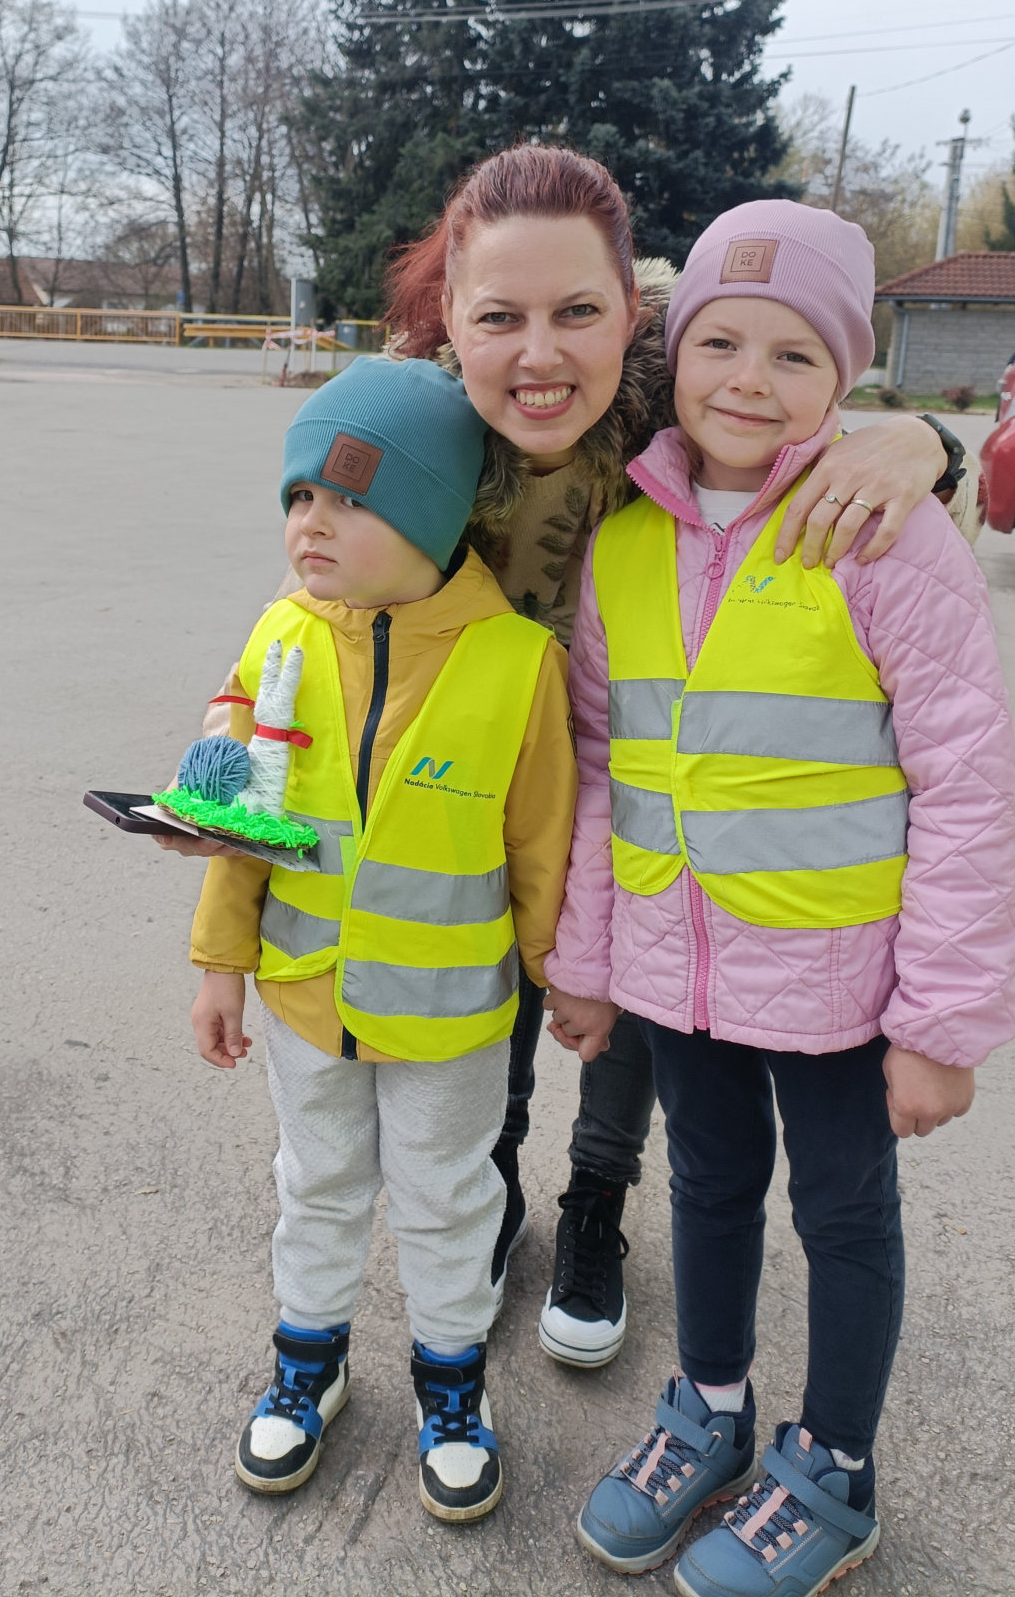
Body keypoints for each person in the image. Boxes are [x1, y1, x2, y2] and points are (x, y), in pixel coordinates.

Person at [166, 145, 977, 1369]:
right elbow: (308, 600)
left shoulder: (682, 402)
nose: (539, 355)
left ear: (634, 314)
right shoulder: (424, 427)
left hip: (640, 766)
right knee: (475, 989)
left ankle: (596, 1195)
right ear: (452, 316)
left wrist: (929, 442)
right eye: (501, 317)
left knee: (623, 987)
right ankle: (484, 1184)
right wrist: (228, 765)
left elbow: (810, 424)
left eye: (578, 312)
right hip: (462, 758)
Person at [543, 202, 1015, 1592]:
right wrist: (587, 960)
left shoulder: (885, 535)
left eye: (795, 354)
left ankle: (835, 1468)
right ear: (673, 355)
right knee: (706, 1183)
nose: (750, 381)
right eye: (721, 343)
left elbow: (968, 784)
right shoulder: (624, 542)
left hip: (837, 982)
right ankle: (709, 1407)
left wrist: (941, 1023)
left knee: (843, 1214)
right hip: (672, 965)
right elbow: (599, 765)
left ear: (845, 376)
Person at [186, 356, 576, 1523]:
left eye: (351, 499)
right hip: (307, 996)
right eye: (301, 495)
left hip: (452, 1020)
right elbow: (239, 824)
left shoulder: (518, 662)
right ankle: (308, 1361)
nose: (312, 522)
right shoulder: (281, 636)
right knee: (315, 1182)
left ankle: (453, 1385)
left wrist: (570, 979)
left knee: (448, 1196)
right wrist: (220, 961)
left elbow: (542, 843)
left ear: (434, 514)